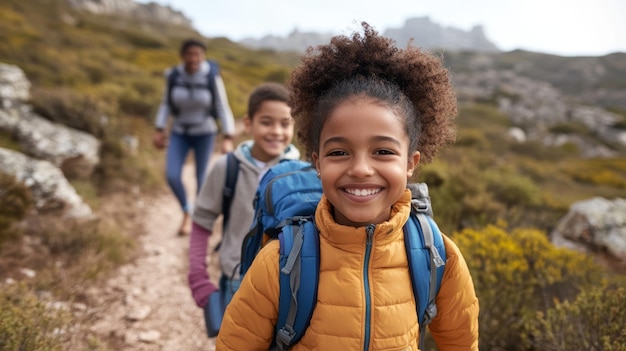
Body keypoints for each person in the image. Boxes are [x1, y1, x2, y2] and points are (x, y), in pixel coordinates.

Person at [216, 23, 479, 350]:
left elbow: (461, 342)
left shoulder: (438, 257)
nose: (360, 169)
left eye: (383, 151)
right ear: (317, 162)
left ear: (411, 163)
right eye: (339, 152)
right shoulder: (281, 261)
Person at [187, 83, 300, 316]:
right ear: (248, 124)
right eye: (266, 122)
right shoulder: (227, 168)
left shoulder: (302, 173)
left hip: (286, 285)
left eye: (285, 123)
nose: (277, 131)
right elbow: (202, 221)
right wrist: (198, 276)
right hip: (236, 280)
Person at [152, 38, 236, 236]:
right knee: (172, 175)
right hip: (180, 132)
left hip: (205, 133)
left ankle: (199, 222)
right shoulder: (173, 75)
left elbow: (222, 106)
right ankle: (186, 211)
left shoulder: (211, 76)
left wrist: (228, 136)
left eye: (198, 54)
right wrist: (159, 128)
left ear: (203, 56)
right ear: (183, 55)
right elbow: (165, 104)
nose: (194, 58)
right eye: (189, 54)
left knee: (201, 179)